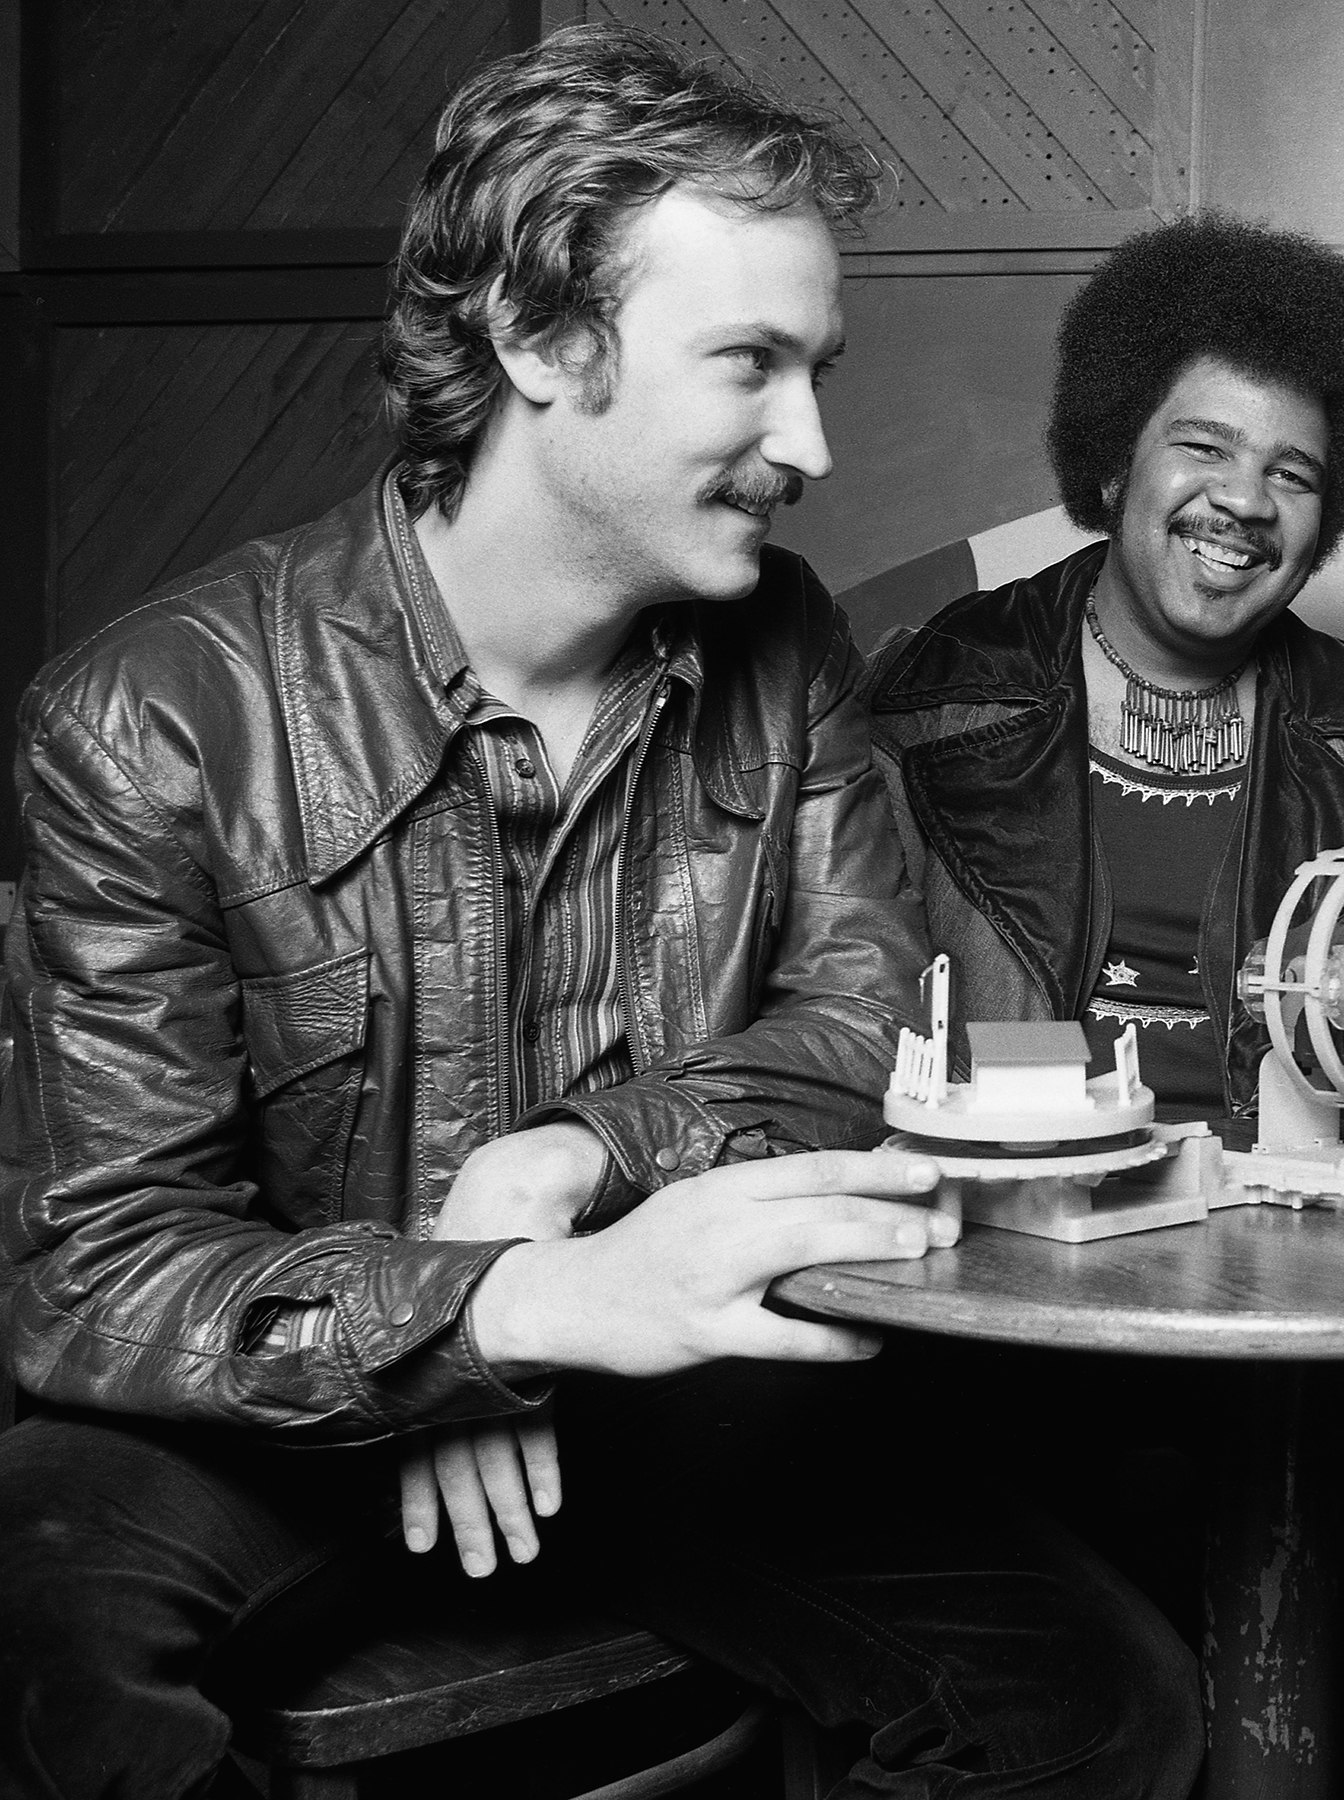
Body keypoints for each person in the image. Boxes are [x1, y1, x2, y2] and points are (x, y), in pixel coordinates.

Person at [0, 27, 1199, 1798]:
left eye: (819, 366)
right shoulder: (154, 718)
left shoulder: (781, 645)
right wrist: (483, 1319)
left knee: (1109, 1709)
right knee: (36, 1612)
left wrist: (570, 1158)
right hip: (284, 1423)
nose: (811, 437)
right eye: (752, 366)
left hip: (670, 1408)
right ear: (541, 339)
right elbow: (100, 1274)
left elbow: (887, 1012)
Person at [865, 214, 1344, 1114]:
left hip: (1289, 1212)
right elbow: (857, 1010)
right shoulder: (939, 697)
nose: (1243, 498)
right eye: (1203, 446)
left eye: (1293, 474)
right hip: (1013, 1203)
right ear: (1115, 466)